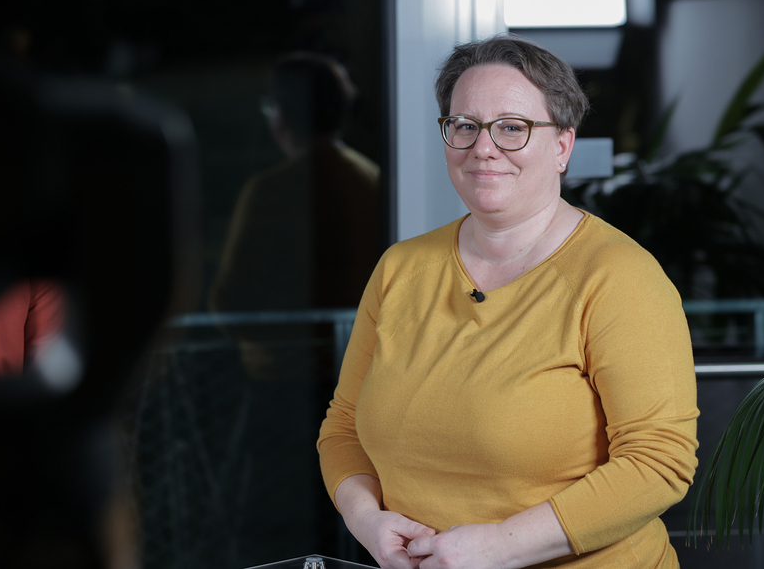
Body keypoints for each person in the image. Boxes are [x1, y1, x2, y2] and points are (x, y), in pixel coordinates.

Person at [317, 35, 698, 569]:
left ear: (562, 145)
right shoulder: (400, 269)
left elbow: (659, 462)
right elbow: (343, 427)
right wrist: (368, 522)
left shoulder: (620, 277)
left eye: (512, 127)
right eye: (464, 125)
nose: (483, 147)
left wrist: (499, 548)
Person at [210, 51, 380, 376]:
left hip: (286, 376)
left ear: (281, 114)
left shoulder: (271, 191)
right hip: (364, 369)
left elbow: (231, 302)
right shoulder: (374, 182)